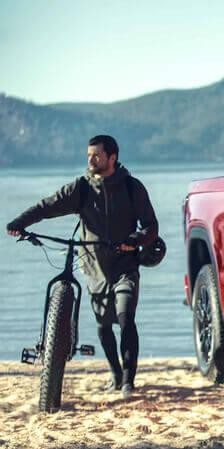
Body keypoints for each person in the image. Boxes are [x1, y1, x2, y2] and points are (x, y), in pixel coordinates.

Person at [6, 135, 158, 399]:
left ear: (112, 158)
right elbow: (48, 206)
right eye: (89, 155)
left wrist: (134, 240)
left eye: (96, 155)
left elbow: (151, 226)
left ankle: (127, 382)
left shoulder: (133, 188)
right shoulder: (82, 188)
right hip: (94, 267)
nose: (91, 160)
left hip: (125, 266)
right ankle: (114, 372)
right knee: (103, 326)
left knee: (125, 318)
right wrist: (20, 222)